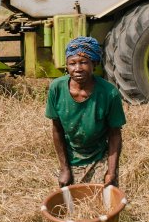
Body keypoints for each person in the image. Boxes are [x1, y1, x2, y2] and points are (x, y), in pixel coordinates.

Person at [46, 36, 125, 188]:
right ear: (67, 66)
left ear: (94, 64)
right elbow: (57, 130)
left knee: (103, 202)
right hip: (71, 157)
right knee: (70, 205)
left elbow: (115, 134)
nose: (77, 68)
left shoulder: (109, 93)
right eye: (72, 63)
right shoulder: (56, 88)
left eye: (83, 62)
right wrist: (64, 168)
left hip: (100, 156)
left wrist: (111, 171)